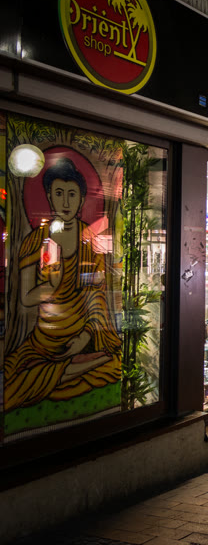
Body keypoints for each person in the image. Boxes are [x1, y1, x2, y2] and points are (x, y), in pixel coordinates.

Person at [3, 156, 121, 412]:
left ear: (81, 199)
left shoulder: (89, 239)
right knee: (13, 374)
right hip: (45, 337)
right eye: (59, 193)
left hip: (81, 331)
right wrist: (51, 286)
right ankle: (73, 366)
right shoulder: (36, 240)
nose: (65, 202)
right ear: (48, 196)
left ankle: (69, 366)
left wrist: (85, 336)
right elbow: (26, 297)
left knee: (115, 364)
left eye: (72, 194)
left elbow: (97, 297)